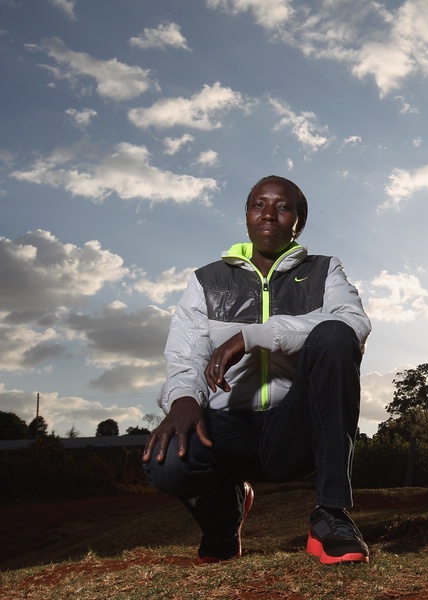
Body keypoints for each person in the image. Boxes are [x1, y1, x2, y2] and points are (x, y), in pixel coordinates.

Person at [143, 175, 372, 565]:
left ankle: (331, 516)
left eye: (283, 207)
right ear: (247, 216)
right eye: (259, 204)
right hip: (230, 426)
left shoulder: (324, 270)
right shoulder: (206, 281)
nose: (269, 214)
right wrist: (182, 398)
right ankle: (223, 524)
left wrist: (255, 336)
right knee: (166, 461)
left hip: (296, 430)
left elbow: (354, 324)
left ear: (298, 222)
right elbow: (185, 356)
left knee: (334, 334)